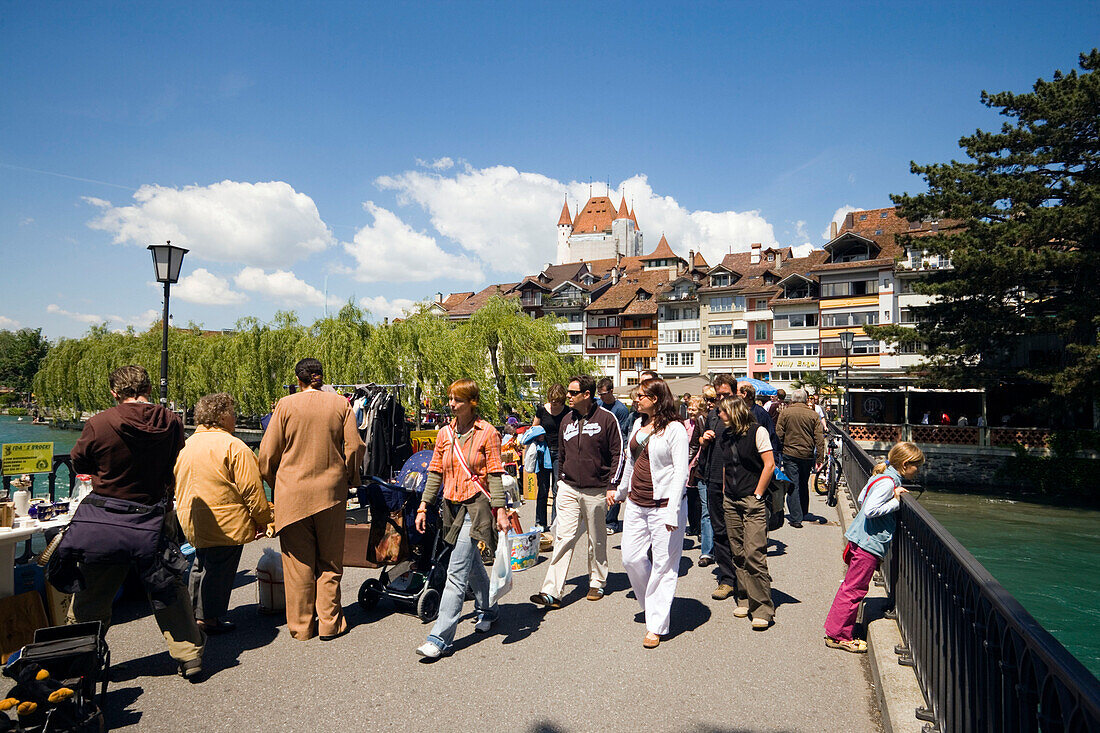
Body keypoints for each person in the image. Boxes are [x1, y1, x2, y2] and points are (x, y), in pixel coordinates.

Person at [68, 365, 204, 679]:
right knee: (167, 587)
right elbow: (175, 459)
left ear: (115, 393)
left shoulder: (100, 423)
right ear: (147, 389)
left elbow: (80, 461)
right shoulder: (171, 422)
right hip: (155, 515)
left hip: (109, 518)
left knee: (92, 592)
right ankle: (189, 655)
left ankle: (79, 661)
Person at [258, 358, 365, 641]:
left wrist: (275, 483)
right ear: (321, 378)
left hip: (291, 494)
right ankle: (330, 623)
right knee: (329, 561)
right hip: (330, 492)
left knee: (297, 564)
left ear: (299, 379)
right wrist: (351, 478)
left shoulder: (285, 405)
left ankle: (302, 627)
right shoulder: (341, 404)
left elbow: (267, 455)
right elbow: (354, 447)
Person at [413, 379, 510, 659]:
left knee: (456, 572)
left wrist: (500, 510)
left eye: (458, 400)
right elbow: (435, 472)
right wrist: (423, 506)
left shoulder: (488, 432)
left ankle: (439, 639)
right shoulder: (444, 433)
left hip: (477, 506)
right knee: (470, 564)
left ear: (472, 403)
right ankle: (489, 608)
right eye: (451, 399)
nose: (452, 405)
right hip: (451, 506)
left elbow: (494, 473)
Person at [175, 393, 272, 635]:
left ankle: (193, 614)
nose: (235, 418)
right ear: (221, 416)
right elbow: (252, 489)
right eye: (232, 412)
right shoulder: (234, 446)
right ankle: (209, 619)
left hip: (192, 518)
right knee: (219, 571)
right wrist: (263, 519)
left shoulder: (187, 445)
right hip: (225, 520)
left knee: (200, 564)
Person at [530, 374, 624, 608]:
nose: (568, 396)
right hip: (569, 487)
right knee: (564, 537)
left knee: (597, 539)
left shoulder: (607, 419)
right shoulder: (566, 421)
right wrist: (561, 480)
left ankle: (597, 581)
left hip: (597, 489)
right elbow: (561, 453)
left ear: (586, 395)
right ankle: (551, 591)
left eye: (573, 393)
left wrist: (612, 484)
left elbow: (618, 453)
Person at [824, 442, 924, 653]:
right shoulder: (888, 483)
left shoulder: (881, 476)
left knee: (850, 587)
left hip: (860, 539)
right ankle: (839, 635)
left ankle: (839, 630)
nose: (919, 471)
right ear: (906, 464)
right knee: (854, 590)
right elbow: (870, 510)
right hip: (868, 545)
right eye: (917, 466)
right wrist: (896, 503)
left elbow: (861, 498)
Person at [613, 378, 689, 648]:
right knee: (631, 558)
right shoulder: (637, 424)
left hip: (664, 507)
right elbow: (631, 462)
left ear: (656, 399)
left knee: (664, 567)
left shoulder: (675, 429)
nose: (636, 400)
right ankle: (652, 604)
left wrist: (673, 511)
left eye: (641, 396)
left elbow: (682, 470)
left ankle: (656, 624)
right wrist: (621, 491)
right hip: (636, 503)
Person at [716, 395, 776, 630]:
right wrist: (724, 493)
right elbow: (726, 466)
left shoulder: (757, 431)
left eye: (722, 411)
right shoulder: (726, 434)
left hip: (752, 500)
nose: (719, 415)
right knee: (738, 552)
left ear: (734, 411)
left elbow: (769, 464)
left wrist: (759, 494)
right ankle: (744, 598)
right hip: (731, 499)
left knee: (754, 553)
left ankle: (762, 608)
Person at [697, 374, 740, 600]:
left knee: (739, 532)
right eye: (719, 395)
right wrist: (704, 439)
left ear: (735, 393)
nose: (722, 399)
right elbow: (702, 444)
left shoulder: (744, 416)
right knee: (720, 531)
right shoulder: (713, 414)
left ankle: (744, 577)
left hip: (739, 482)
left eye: (726, 394)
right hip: (713, 478)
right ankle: (726, 579)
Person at [775, 389, 825, 529]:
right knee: (803, 483)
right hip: (807, 454)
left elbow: (779, 433)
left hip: (790, 453)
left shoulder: (785, 413)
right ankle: (803, 511)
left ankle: (796, 518)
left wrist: (778, 450)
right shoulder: (813, 415)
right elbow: (819, 438)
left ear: (793, 399)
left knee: (793, 484)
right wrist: (820, 457)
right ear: (805, 399)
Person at [531, 383, 568, 532]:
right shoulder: (542, 410)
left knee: (558, 489)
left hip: (560, 452)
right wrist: (538, 434)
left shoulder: (568, 411)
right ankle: (540, 522)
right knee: (543, 489)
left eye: (558, 401)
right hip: (544, 452)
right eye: (552, 401)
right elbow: (534, 428)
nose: (555, 404)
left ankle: (555, 523)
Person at [692, 390, 716, 566]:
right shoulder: (702, 419)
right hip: (703, 470)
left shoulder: (729, 417)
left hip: (722, 473)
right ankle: (706, 552)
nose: (709, 403)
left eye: (712, 399)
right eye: (706, 399)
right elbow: (694, 443)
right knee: (706, 511)